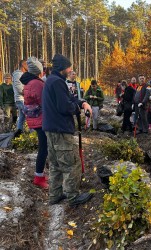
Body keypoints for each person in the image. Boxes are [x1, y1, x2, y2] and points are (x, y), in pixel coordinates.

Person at [42, 54, 93, 206]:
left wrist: (82, 102)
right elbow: (65, 106)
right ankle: (73, 197)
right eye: (69, 67)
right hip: (60, 130)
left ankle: (55, 195)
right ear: (63, 68)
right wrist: (78, 108)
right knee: (72, 163)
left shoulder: (53, 81)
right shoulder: (57, 82)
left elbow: (69, 99)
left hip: (51, 129)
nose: (71, 70)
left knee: (56, 164)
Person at [20, 57, 48, 189]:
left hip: (34, 119)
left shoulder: (29, 82)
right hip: (40, 120)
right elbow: (45, 103)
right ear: (39, 71)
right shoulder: (37, 84)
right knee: (44, 148)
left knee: (44, 147)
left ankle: (40, 175)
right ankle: (39, 177)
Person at [12, 60, 28, 137]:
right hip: (21, 99)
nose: (28, 66)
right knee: (29, 115)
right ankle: (33, 133)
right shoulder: (18, 74)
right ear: (23, 65)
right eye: (27, 64)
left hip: (22, 99)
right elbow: (19, 88)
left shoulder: (22, 74)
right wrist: (29, 93)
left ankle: (19, 132)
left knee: (22, 116)